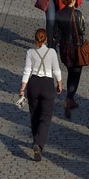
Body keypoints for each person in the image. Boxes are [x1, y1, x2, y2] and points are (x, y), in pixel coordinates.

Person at [20, 27, 64, 161]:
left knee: (34, 114)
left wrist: (22, 89)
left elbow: (27, 71)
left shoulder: (30, 52)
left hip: (33, 84)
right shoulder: (51, 52)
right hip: (47, 84)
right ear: (46, 39)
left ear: (35, 40)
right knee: (45, 117)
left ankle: (36, 140)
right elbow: (56, 70)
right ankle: (38, 143)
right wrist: (60, 84)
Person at [52, 0, 89, 116]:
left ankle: (70, 98)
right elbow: (82, 30)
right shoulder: (77, 14)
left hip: (64, 49)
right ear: (72, 1)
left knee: (69, 72)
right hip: (76, 48)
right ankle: (69, 98)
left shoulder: (58, 14)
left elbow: (55, 34)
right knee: (76, 74)